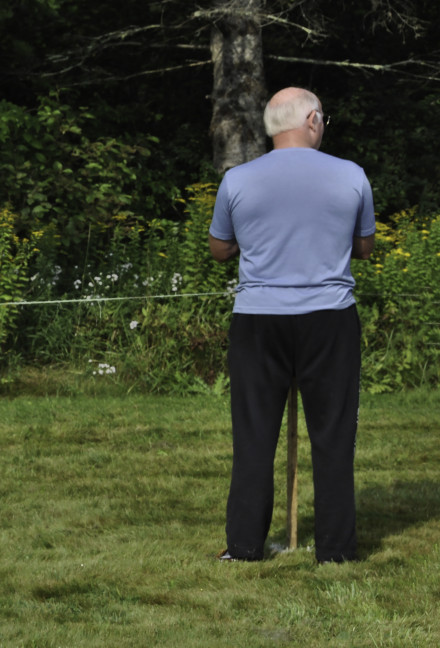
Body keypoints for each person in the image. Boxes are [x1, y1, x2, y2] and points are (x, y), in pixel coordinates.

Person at [208, 87, 376, 564]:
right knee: (334, 435)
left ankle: (243, 546)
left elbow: (220, 248)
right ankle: (337, 551)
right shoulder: (351, 175)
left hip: (259, 320)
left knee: (254, 434)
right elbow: (364, 248)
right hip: (330, 318)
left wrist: (260, 240)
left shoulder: (237, 179)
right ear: (313, 120)